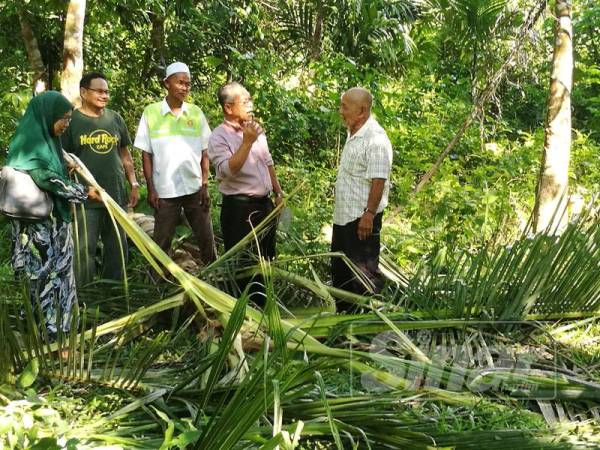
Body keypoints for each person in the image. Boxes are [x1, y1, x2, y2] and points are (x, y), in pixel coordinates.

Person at [5, 91, 101, 339]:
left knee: (58, 276)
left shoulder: (51, 143)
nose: (66, 124)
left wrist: (67, 167)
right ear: (47, 116)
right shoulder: (28, 143)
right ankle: (48, 331)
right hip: (36, 230)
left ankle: (57, 329)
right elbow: (45, 177)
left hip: (54, 226)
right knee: (40, 277)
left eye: (69, 119)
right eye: (63, 119)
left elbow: (55, 169)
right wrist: (83, 193)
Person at [134, 62, 216, 265]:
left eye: (188, 84)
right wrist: (151, 189)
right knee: (161, 242)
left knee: (206, 239)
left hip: (194, 188)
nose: (185, 87)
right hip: (165, 192)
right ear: (166, 83)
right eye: (180, 83)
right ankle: (157, 284)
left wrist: (205, 185)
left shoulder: (195, 113)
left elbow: (205, 153)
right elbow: (146, 155)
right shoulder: (151, 113)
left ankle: (215, 278)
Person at [61, 72, 139, 286]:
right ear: (84, 92)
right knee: (84, 248)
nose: (104, 95)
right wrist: (68, 195)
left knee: (118, 247)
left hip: (115, 194)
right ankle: (85, 294)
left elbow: (124, 154)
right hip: (86, 197)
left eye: (107, 92)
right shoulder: (72, 121)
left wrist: (133, 183)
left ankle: (112, 291)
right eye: (99, 91)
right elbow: (63, 160)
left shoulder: (114, 118)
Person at [208, 82, 283, 300]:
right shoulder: (218, 136)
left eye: (250, 100)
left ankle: (265, 304)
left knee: (266, 259)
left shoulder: (255, 130)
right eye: (245, 101)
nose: (251, 105)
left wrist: (278, 193)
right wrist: (247, 142)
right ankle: (245, 312)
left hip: (264, 205)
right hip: (240, 210)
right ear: (228, 108)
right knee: (244, 264)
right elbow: (227, 170)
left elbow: (268, 162)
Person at [331, 87, 393, 301]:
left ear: (362, 111)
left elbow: (379, 179)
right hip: (343, 217)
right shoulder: (354, 131)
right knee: (341, 272)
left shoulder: (375, 139)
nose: (341, 111)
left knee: (363, 275)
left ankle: (367, 322)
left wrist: (369, 214)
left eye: (345, 107)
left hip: (361, 220)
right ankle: (342, 322)